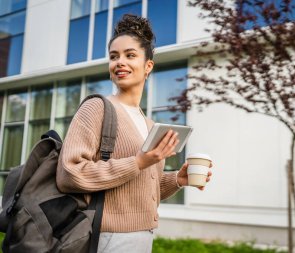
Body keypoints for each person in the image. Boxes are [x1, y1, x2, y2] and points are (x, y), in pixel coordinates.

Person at [56, 14, 213, 253]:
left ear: (148, 66)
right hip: (106, 236)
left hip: (142, 236)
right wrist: (138, 162)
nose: (120, 62)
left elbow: (138, 187)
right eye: (113, 56)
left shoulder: (149, 124)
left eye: (130, 55)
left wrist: (177, 180)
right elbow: (70, 173)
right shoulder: (96, 108)